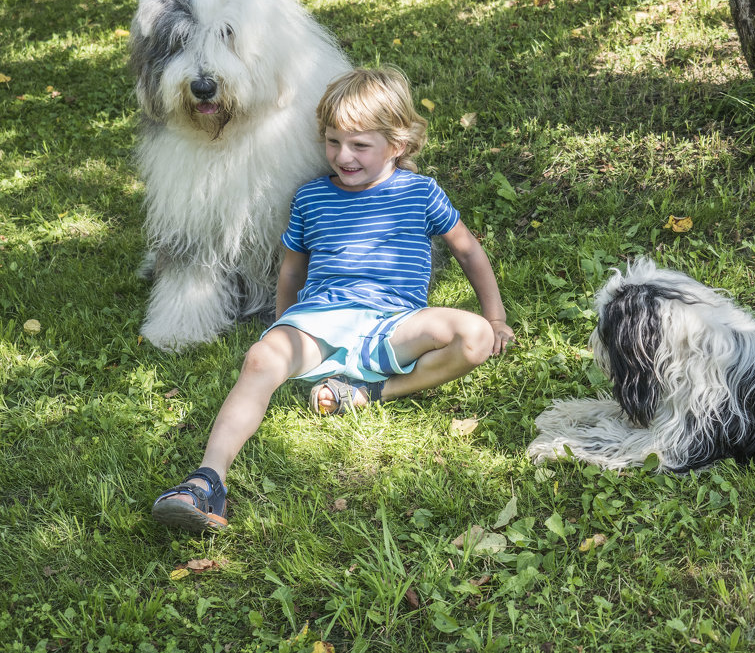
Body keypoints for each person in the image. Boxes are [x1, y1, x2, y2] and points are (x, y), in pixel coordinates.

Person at [151, 66, 515, 532]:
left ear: (397, 144)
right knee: (261, 359)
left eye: (360, 145)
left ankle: (366, 394)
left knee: (474, 336)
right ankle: (206, 482)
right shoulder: (311, 198)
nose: (343, 156)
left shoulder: (421, 192)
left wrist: (496, 316)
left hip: (393, 326)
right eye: (332, 141)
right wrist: (283, 330)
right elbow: (292, 270)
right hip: (319, 322)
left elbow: (468, 251)